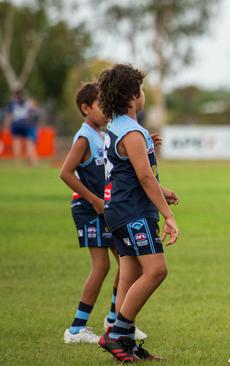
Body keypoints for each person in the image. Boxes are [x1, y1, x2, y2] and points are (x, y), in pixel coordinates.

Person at [97, 64, 180, 362]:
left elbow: (133, 174)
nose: (143, 94)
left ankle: (126, 343)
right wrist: (168, 216)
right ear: (133, 96)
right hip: (133, 212)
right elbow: (144, 178)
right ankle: (116, 334)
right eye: (141, 90)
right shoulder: (131, 131)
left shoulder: (117, 126)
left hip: (120, 209)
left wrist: (163, 191)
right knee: (157, 270)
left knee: (130, 274)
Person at [60, 83, 119, 344]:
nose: (107, 109)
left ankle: (115, 320)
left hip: (103, 207)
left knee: (128, 261)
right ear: (86, 108)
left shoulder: (101, 134)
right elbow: (65, 172)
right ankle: (76, 328)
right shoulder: (84, 136)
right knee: (103, 265)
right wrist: (94, 200)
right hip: (88, 208)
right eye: (101, 104)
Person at [2, 89, 38, 165]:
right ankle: (32, 162)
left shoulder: (12, 103)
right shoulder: (26, 102)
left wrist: (6, 126)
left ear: (13, 95)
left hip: (16, 125)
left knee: (16, 143)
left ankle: (18, 163)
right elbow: (33, 111)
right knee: (29, 144)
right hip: (26, 124)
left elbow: (9, 116)